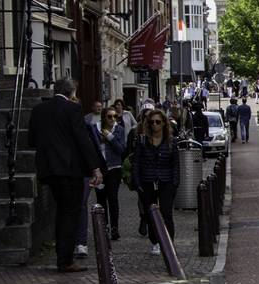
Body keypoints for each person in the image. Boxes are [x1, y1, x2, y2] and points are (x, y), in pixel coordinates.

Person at [26, 77, 102, 273]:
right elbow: (82, 139)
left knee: (62, 210)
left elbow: (31, 140)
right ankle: (65, 259)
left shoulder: (38, 110)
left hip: (49, 169)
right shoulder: (73, 109)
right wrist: (95, 167)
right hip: (70, 170)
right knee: (70, 212)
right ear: (72, 93)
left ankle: (62, 255)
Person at [131, 109, 178, 256]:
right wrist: (137, 181)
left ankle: (169, 242)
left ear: (164, 123)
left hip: (166, 181)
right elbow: (137, 162)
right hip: (147, 180)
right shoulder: (142, 141)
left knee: (166, 212)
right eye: (151, 122)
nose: (155, 125)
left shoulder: (171, 142)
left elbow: (175, 164)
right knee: (151, 213)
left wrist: (175, 182)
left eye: (158, 122)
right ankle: (155, 241)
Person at [90, 106, 126, 240]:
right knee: (101, 199)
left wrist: (110, 137)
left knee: (113, 198)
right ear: (104, 117)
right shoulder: (94, 129)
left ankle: (114, 228)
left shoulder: (119, 130)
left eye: (115, 116)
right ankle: (103, 227)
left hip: (114, 168)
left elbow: (121, 149)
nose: (112, 119)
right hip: (100, 169)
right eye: (109, 116)